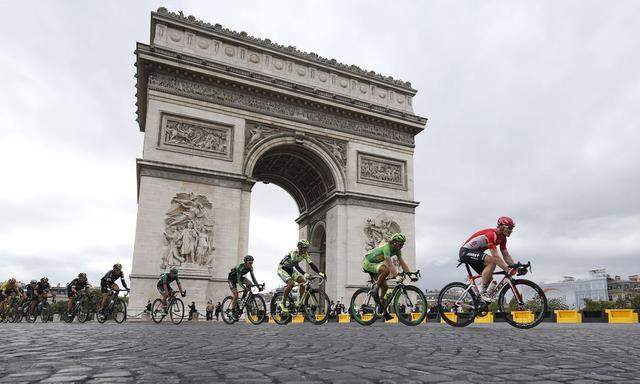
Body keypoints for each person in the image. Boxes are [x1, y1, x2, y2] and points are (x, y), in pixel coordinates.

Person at [458, 216, 519, 302]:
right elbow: (495, 256)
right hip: (465, 252)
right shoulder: (491, 234)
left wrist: (515, 267)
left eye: (512, 229)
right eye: (509, 228)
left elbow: (506, 255)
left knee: (489, 280)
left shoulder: (503, 239)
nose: (511, 231)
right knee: (492, 261)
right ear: (501, 226)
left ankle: (477, 301)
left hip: (476, 254)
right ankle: (482, 292)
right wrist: (506, 269)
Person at [362, 233, 414, 319]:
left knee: (385, 287)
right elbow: (390, 264)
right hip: (368, 263)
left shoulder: (397, 250)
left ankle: (381, 308)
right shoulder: (387, 248)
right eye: (401, 244)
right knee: (385, 269)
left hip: (376, 265)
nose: (402, 246)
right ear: (394, 243)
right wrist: (396, 275)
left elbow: (402, 263)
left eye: (403, 244)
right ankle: (375, 290)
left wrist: (410, 275)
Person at [277, 240, 326, 314]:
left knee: (303, 282)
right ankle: (282, 303)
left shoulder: (305, 254)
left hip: (290, 269)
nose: (306, 249)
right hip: (282, 269)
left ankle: (300, 303)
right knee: (291, 284)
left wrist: (320, 273)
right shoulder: (294, 252)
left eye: (307, 248)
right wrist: (305, 273)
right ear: (300, 247)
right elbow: (296, 265)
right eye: (304, 247)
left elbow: (311, 264)